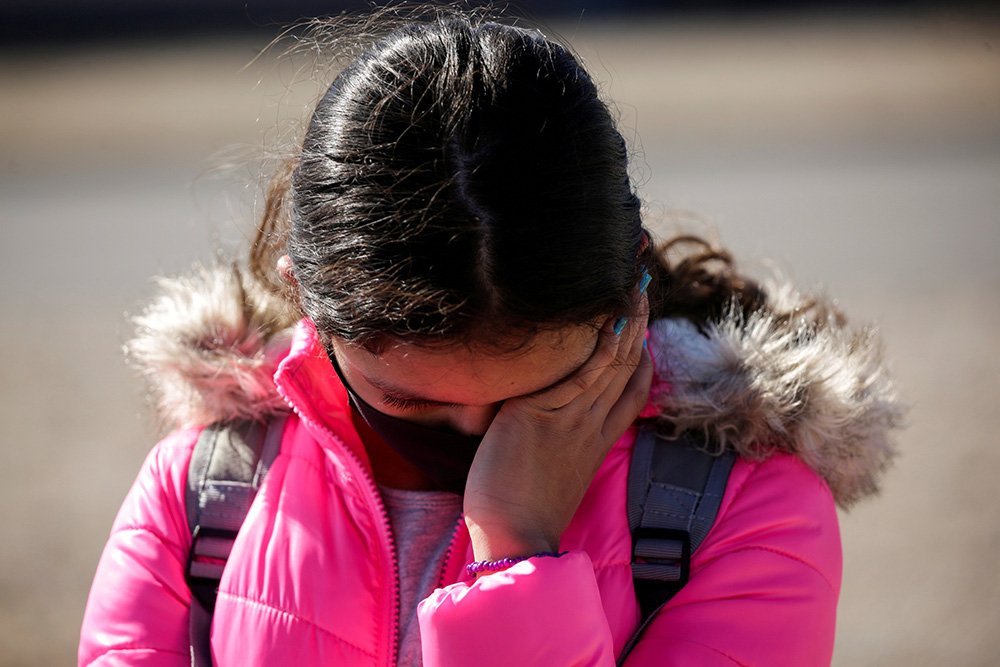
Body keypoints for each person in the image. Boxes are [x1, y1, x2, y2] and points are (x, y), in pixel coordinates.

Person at [79, 9, 903, 667]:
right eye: (407, 405)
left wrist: (516, 550)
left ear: (631, 292)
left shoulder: (746, 511)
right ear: (308, 301)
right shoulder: (206, 496)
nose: (488, 441)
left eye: (540, 395)